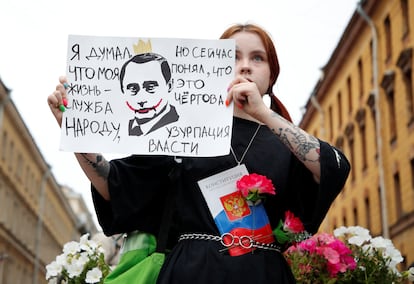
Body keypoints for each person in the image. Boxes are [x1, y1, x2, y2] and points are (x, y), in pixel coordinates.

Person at [47, 23, 350, 283]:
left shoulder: (285, 141)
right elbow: (117, 186)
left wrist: (264, 114)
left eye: (257, 58)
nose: (244, 66)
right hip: (191, 270)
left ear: (271, 77)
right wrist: (76, 130)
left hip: (262, 273)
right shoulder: (180, 131)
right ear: (212, 69)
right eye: (232, 56)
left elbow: (334, 168)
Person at [120, 52, 179, 136]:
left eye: (150, 88)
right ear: (123, 90)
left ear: (169, 86)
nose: (141, 100)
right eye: (133, 89)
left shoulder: (178, 125)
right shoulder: (122, 129)